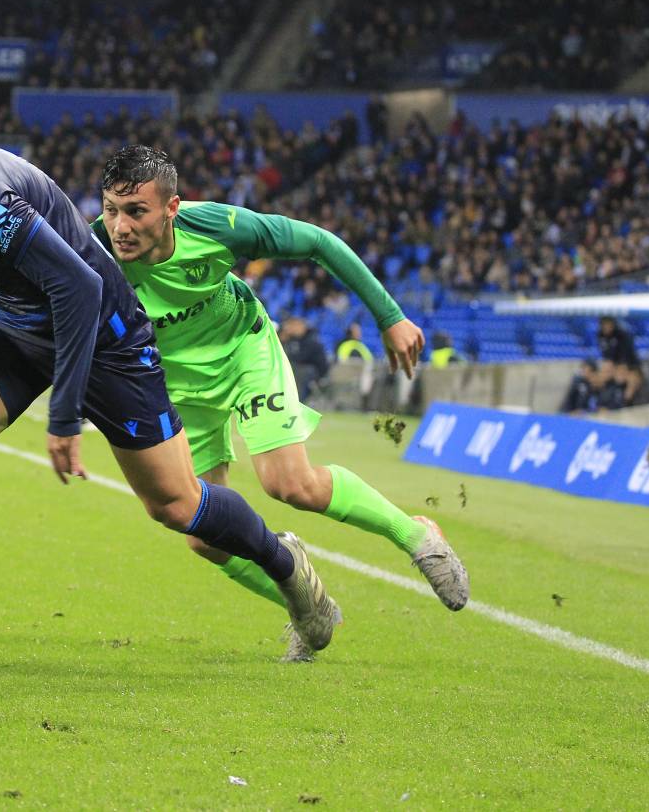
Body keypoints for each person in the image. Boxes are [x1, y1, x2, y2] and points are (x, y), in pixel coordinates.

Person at [0, 53, 340, 683]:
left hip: (104, 336)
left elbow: (78, 285)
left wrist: (65, 415)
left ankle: (288, 568)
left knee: (176, 505)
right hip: (12, 328)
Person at [91, 146, 468, 659]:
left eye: (136, 211)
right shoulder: (91, 248)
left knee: (289, 483)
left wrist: (390, 316)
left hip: (243, 353)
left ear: (171, 208)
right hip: (176, 384)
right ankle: (306, 604)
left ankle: (417, 537)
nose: (120, 226)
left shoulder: (217, 227)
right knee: (202, 534)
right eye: (111, 210)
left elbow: (319, 242)